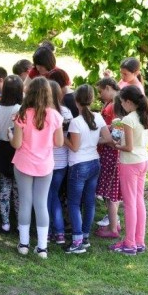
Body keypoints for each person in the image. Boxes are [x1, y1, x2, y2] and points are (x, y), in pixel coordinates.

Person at [10, 77, 64, 259]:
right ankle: (42, 248)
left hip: (24, 162)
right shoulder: (55, 115)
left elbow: (16, 144)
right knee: (41, 204)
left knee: (25, 202)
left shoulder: (22, 114)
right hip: (45, 164)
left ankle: (23, 243)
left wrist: (11, 135)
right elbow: (59, 142)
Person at [110, 85, 148, 255]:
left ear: (128, 102)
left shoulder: (128, 119)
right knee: (139, 201)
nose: (121, 105)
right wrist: (141, 136)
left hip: (130, 163)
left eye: (122, 102)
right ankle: (139, 241)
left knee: (130, 204)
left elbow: (128, 147)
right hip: (143, 160)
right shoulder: (147, 114)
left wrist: (116, 145)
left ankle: (129, 243)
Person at [63, 85, 111, 254]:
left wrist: (63, 138)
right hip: (94, 162)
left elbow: (74, 147)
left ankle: (77, 241)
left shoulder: (76, 122)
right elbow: (107, 137)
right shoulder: (98, 117)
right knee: (89, 202)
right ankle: (85, 236)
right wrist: (92, 142)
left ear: (76, 101)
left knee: (75, 203)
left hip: (78, 164)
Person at [0, 75, 22, 233]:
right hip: (16, 149)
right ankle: (20, 221)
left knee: (4, 188)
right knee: (17, 189)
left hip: (1, 149)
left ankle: (5, 222)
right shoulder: (19, 109)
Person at [94, 77, 123, 238]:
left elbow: (115, 140)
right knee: (111, 192)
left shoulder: (118, 116)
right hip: (112, 155)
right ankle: (114, 223)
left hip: (111, 155)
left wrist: (100, 139)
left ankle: (113, 228)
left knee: (111, 193)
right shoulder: (120, 118)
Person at [45, 80, 73, 245]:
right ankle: (59, 232)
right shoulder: (66, 112)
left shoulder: (44, 113)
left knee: (48, 196)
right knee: (53, 194)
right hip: (62, 160)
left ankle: (50, 231)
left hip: (47, 160)